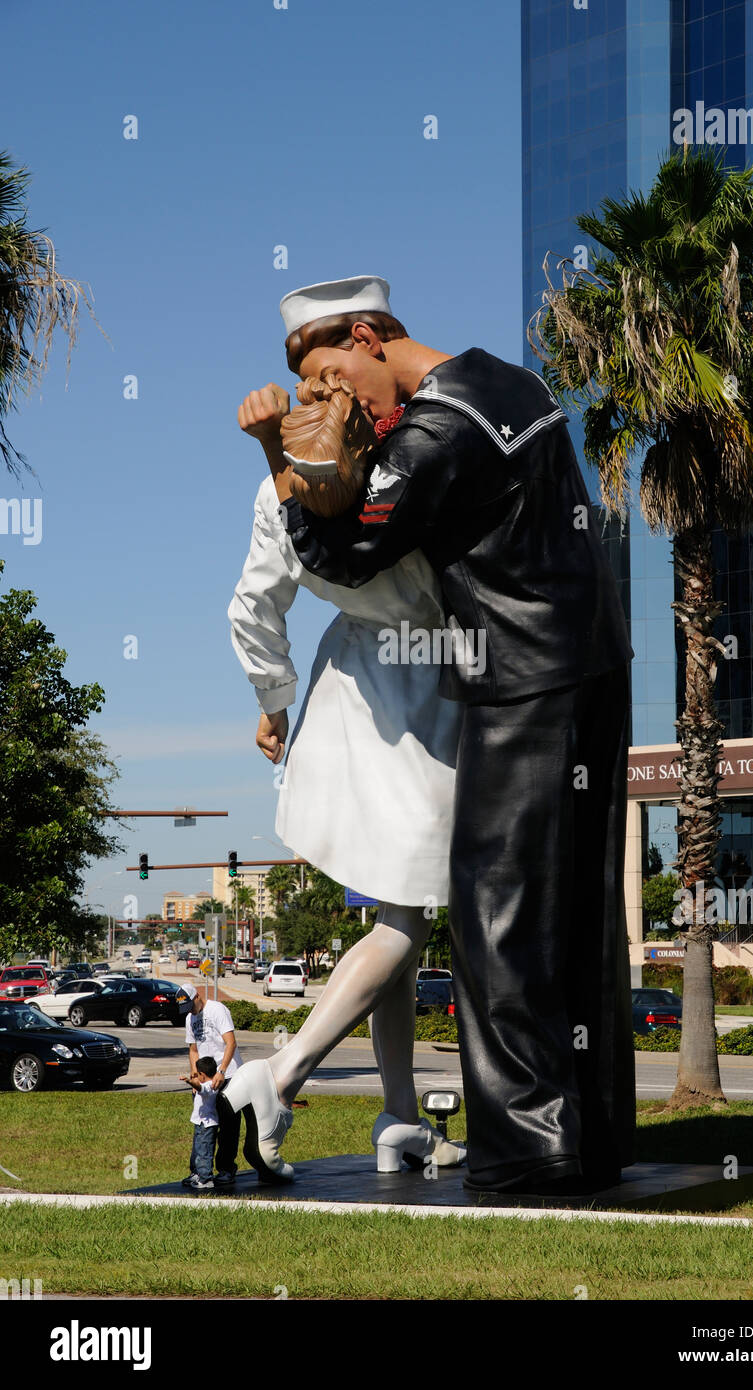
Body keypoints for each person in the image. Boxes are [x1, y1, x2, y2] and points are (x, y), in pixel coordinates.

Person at [265, 275, 637, 1198]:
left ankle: (524, 1152)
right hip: (593, 660)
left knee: (494, 917)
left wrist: (284, 469)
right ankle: (594, 1134)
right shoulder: (511, 384)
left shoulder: (436, 430)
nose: (327, 402)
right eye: (313, 392)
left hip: (519, 677)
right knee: (579, 912)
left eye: (329, 376)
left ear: (368, 334)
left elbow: (345, 550)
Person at [224, 364, 467, 1182]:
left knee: (403, 920)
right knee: (404, 920)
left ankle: (400, 1115)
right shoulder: (416, 470)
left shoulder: (278, 494)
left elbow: (254, 604)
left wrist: (274, 699)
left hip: (351, 691)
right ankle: (280, 1074)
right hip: (418, 695)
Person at [182, 985, 244, 1185]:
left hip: (228, 1076)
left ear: (197, 996)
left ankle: (226, 1169)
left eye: (190, 1005)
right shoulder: (189, 1018)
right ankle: (199, 1171)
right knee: (202, 1125)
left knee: (228, 1126)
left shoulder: (217, 1009)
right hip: (205, 1079)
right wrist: (195, 1076)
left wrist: (222, 1071)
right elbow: (193, 1050)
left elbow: (231, 1042)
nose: (189, 1010)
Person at [179, 1055, 220, 1191]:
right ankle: (197, 1174)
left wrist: (189, 1082)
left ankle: (206, 1179)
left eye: (197, 1073)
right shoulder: (209, 1083)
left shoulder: (210, 1086)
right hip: (201, 1123)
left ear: (202, 1075)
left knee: (204, 1151)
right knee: (198, 1149)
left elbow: (200, 1088)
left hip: (207, 1125)